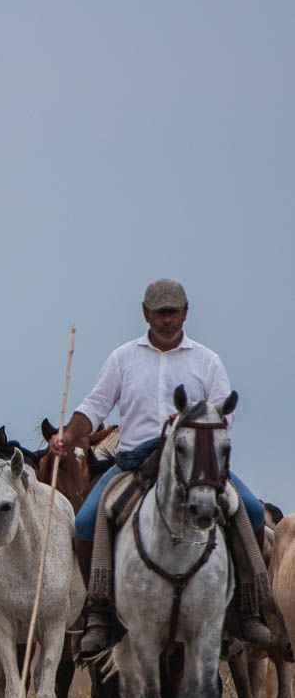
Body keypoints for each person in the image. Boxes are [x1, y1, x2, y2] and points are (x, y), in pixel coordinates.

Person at [49, 278, 271, 655]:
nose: (167, 320)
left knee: (249, 511)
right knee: (87, 521)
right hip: (137, 462)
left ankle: (246, 611)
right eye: (160, 313)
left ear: (186, 313)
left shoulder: (206, 361)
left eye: (174, 312)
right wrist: (68, 435)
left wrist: (198, 440)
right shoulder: (123, 358)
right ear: (145, 314)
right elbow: (95, 406)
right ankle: (99, 614)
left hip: (196, 463)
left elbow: (223, 414)